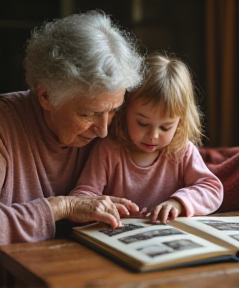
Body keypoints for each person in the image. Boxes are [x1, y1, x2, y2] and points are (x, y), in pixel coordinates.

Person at [0, 10, 144, 244]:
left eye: (114, 110)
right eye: (89, 114)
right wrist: (63, 206)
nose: (104, 130)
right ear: (46, 95)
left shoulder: (120, 127)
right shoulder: (4, 127)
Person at [70, 52, 223, 223]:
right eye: (142, 123)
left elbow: (213, 189)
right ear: (124, 110)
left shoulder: (182, 151)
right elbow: (81, 195)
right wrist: (96, 207)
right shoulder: (109, 150)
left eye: (165, 127)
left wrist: (179, 202)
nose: (153, 135)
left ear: (180, 123)